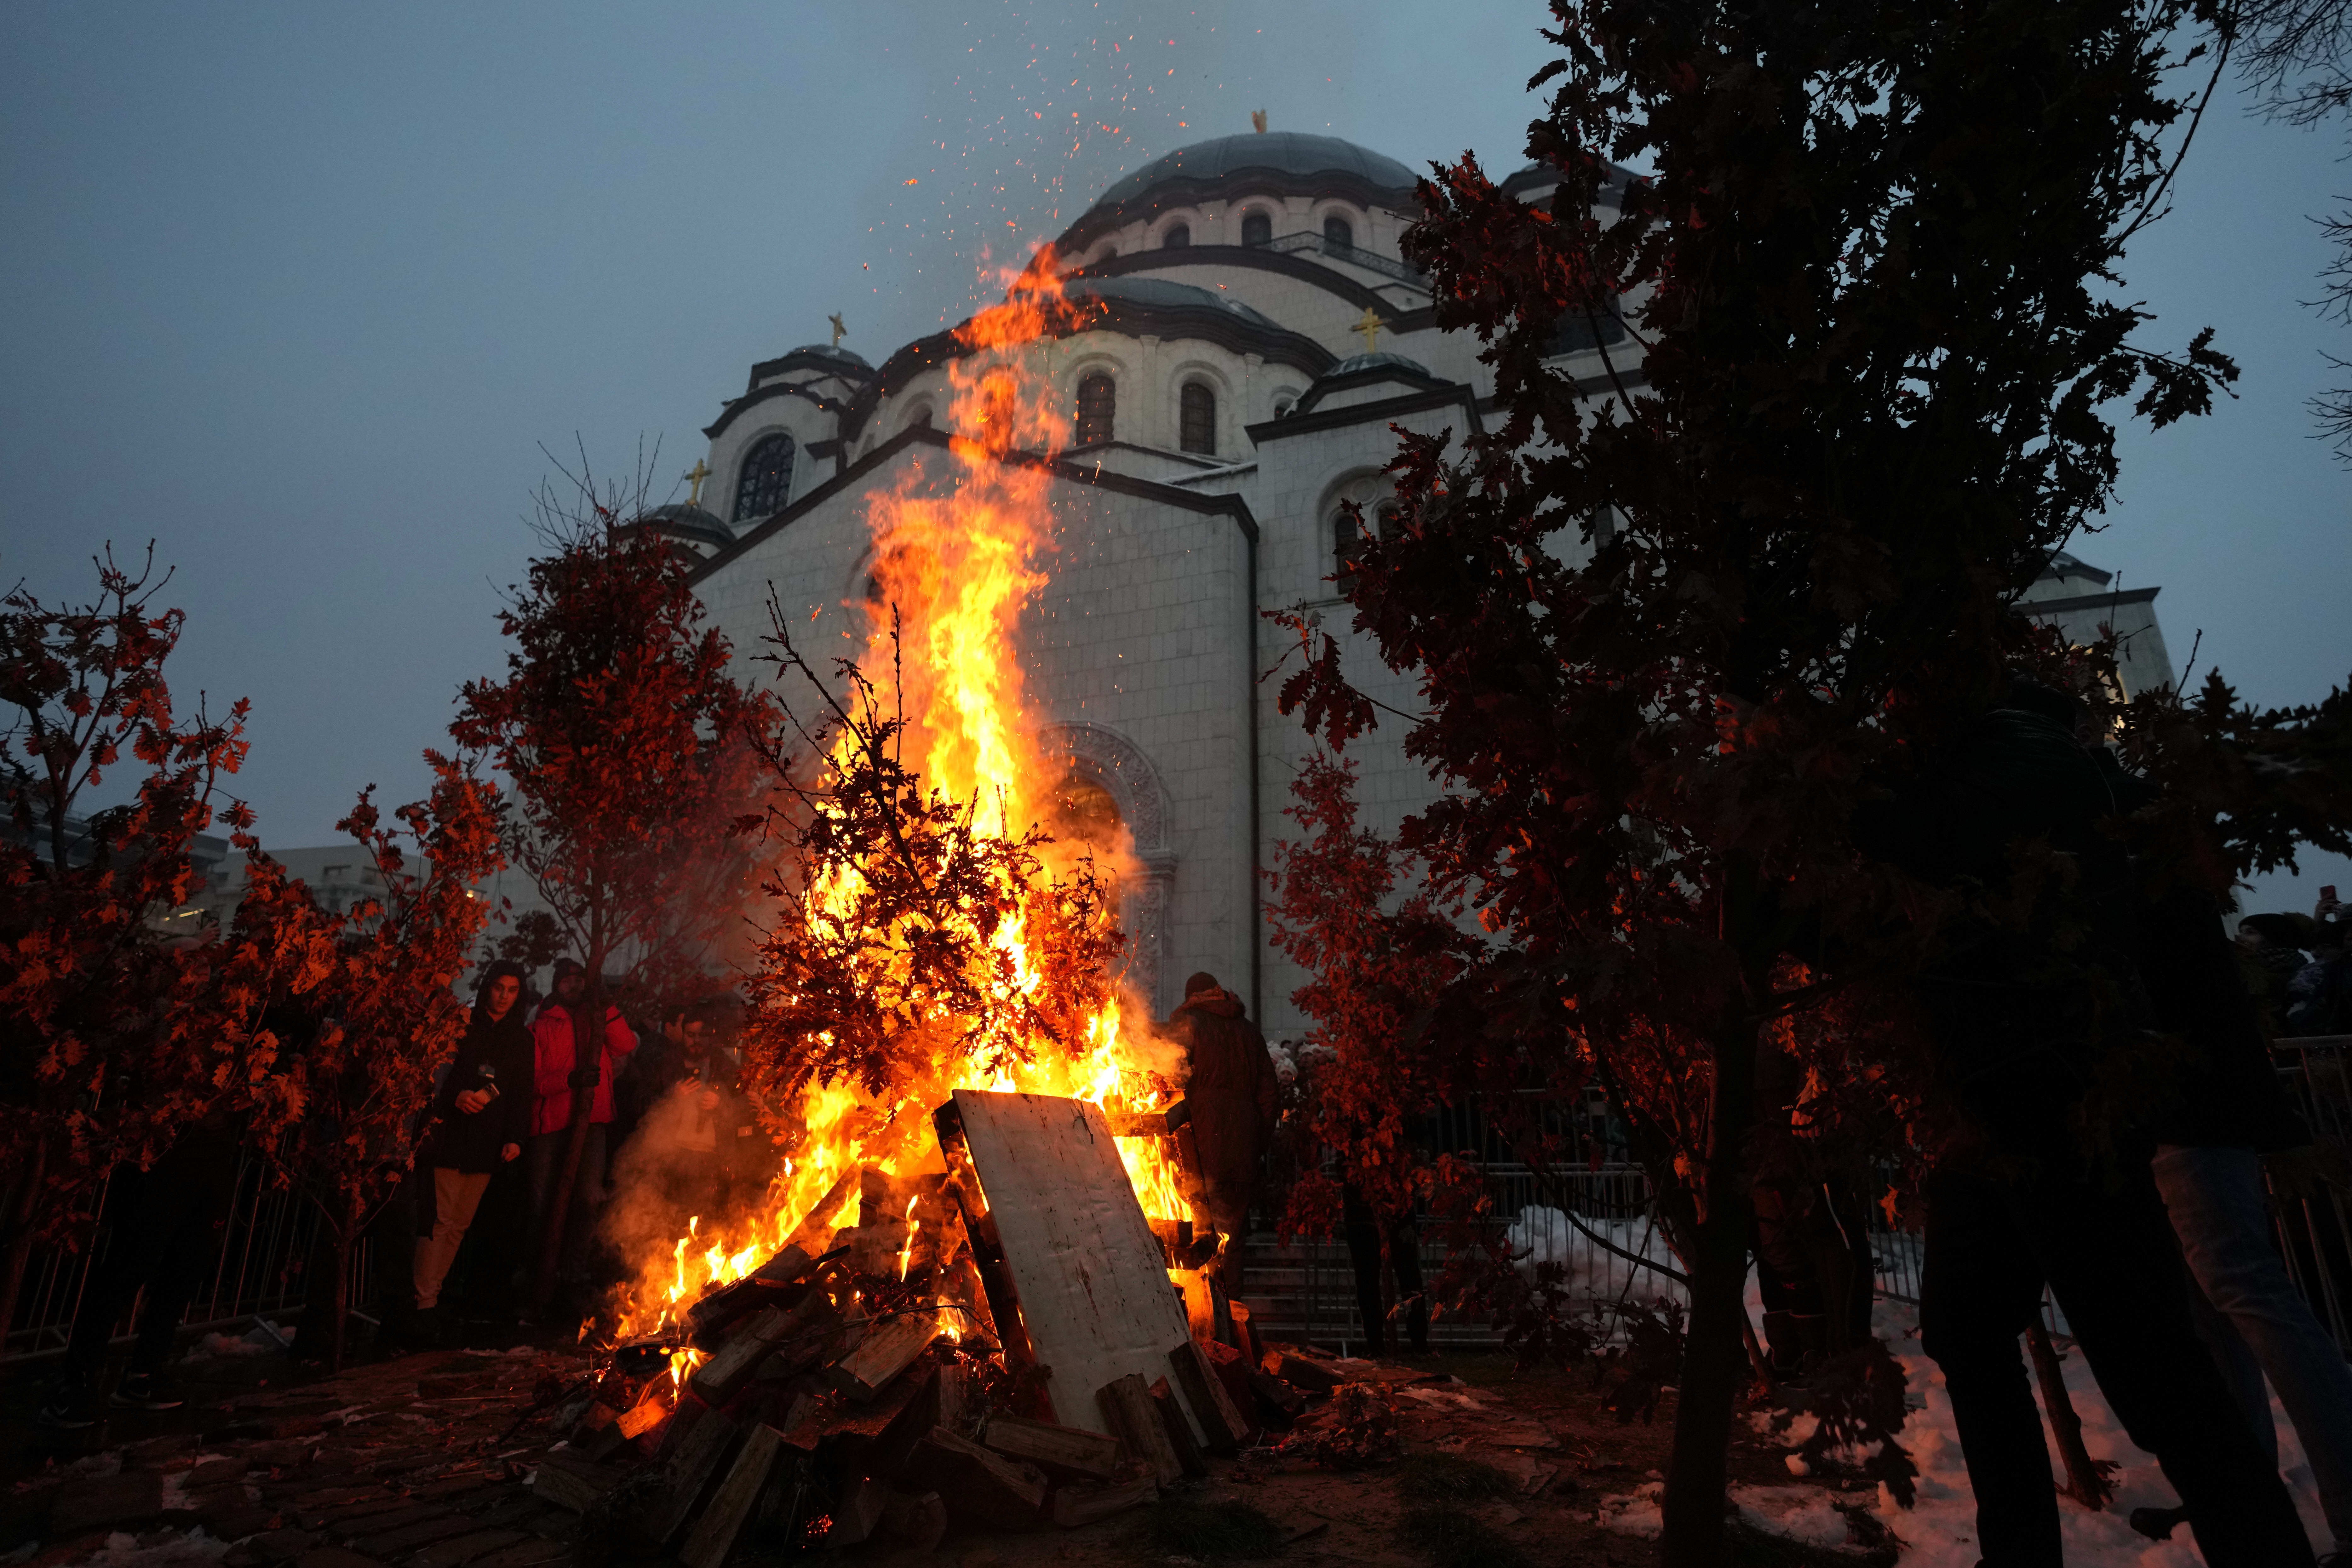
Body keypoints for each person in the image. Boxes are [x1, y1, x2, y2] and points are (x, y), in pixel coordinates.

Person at [1859, 692, 2314, 1566]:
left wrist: (1842, 806)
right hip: (1998, 1098)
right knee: (1970, 1325)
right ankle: (2021, 1551)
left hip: (2054, 1098)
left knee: (2154, 1370)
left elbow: (1927, 839)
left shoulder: (2016, 751)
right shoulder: (2006, 767)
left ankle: (2258, 1547)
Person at [37, 1114, 244, 1428]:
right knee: (127, 1267)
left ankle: (144, 1373)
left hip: (214, 1156)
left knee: (186, 1271)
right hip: (158, 1155)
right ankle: (76, 1379)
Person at [407, 961, 533, 1343]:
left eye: (512, 990)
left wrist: (515, 1138)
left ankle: (430, 1298)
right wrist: (454, 1097)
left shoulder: (521, 1039)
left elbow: (520, 1092)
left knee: (459, 1223)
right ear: (487, 987)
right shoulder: (462, 1025)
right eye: (499, 988)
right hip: (450, 1134)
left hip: (487, 1141)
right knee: (440, 1220)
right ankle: (421, 1303)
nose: (504, 996)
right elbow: (438, 1074)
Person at [527, 958, 637, 1306]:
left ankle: (573, 1274)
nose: (574, 986)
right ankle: (536, 1275)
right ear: (556, 984)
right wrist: (569, 1082)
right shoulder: (541, 1025)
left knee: (589, 1198)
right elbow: (533, 1079)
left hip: (592, 1122)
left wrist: (607, 1007)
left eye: (579, 980)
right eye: (568, 980)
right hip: (551, 1124)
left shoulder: (597, 1015)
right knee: (541, 1202)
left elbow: (626, 1045)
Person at [1166, 971, 1277, 1291]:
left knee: (1199, 1236)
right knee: (1234, 1238)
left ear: (1192, 997)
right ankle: (1230, 1319)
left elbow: (1166, 1083)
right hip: (1242, 1152)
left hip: (1199, 1150)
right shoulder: (1249, 1032)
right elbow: (1269, 1096)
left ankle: (1204, 1321)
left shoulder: (1187, 1025)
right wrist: (1256, 1142)